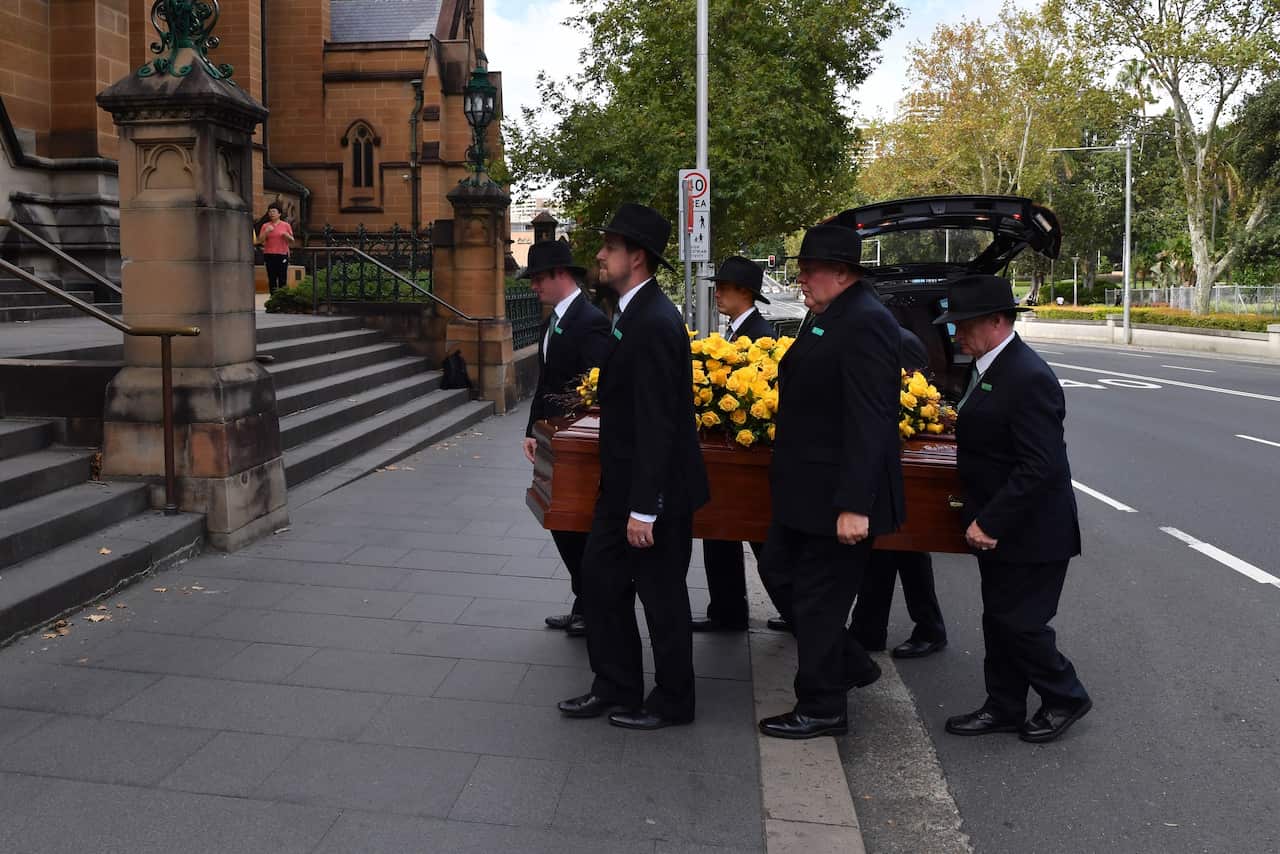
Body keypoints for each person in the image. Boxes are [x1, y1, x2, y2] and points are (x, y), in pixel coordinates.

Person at [558, 203, 710, 730]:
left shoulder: (653, 321)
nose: (600, 255)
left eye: (611, 247)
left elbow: (658, 422)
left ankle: (673, 701)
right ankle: (616, 686)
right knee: (600, 584)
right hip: (622, 486)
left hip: (653, 492)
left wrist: (645, 508)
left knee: (662, 598)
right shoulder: (632, 313)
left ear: (637, 258)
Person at [757, 224, 905, 740]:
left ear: (842, 274)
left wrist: (855, 505)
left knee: (819, 602)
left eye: (809, 271)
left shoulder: (865, 324)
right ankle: (852, 665)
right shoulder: (831, 316)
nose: (800, 280)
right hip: (806, 491)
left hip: (837, 497)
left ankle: (822, 706)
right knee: (778, 571)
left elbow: (871, 420)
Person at [932, 273, 1091, 743]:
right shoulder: (989, 367)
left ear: (998, 321)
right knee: (998, 620)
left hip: (1032, 529)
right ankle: (1003, 705)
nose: (955, 334)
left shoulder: (1027, 376)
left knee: (1020, 624)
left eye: (963, 324)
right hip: (1003, 525)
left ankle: (1065, 695)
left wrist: (990, 519)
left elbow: (1041, 466)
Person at [521, 239, 613, 638]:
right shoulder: (553, 320)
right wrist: (532, 429)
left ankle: (592, 604)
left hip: (576, 441)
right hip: (552, 437)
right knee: (559, 520)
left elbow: (595, 385)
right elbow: (545, 383)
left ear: (561, 275)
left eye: (538, 278)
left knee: (572, 522)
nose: (533, 287)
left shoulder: (588, 320)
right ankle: (584, 601)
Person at [847, 325, 948, 659]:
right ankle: (878, 627)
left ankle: (883, 629)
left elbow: (918, 397)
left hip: (901, 457)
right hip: (886, 457)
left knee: (897, 548)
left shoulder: (900, 340)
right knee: (894, 547)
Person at [693, 255, 775, 634]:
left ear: (745, 292)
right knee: (720, 530)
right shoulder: (735, 331)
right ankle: (726, 610)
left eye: (723, 288)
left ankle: (793, 609)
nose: (718, 294)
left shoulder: (760, 335)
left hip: (749, 455)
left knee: (762, 543)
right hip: (727, 454)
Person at [258, 203, 295, 293]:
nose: (271, 213)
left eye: (273, 211)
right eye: (270, 211)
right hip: (269, 254)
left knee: (282, 278)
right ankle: (273, 298)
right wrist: (266, 232)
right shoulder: (265, 226)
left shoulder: (286, 225)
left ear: (279, 214)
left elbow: (292, 240)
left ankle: (282, 298)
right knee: (272, 278)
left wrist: (286, 236)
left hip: (282, 254)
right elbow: (260, 241)